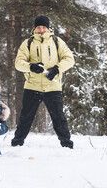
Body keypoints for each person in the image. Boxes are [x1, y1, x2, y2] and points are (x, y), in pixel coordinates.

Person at [11, 15, 75, 148]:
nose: (41, 30)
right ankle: (17, 144)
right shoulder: (27, 43)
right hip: (32, 86)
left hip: (53, 87)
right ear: (35, 28)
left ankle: (67, 145)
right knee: (26, 118)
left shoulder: (57, 42)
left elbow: (69, 59)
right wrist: (31, 67)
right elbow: (18, 63)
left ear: (48, 28)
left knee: (59, 118)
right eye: (39, 27)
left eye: (44, 27)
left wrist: (56, 69)